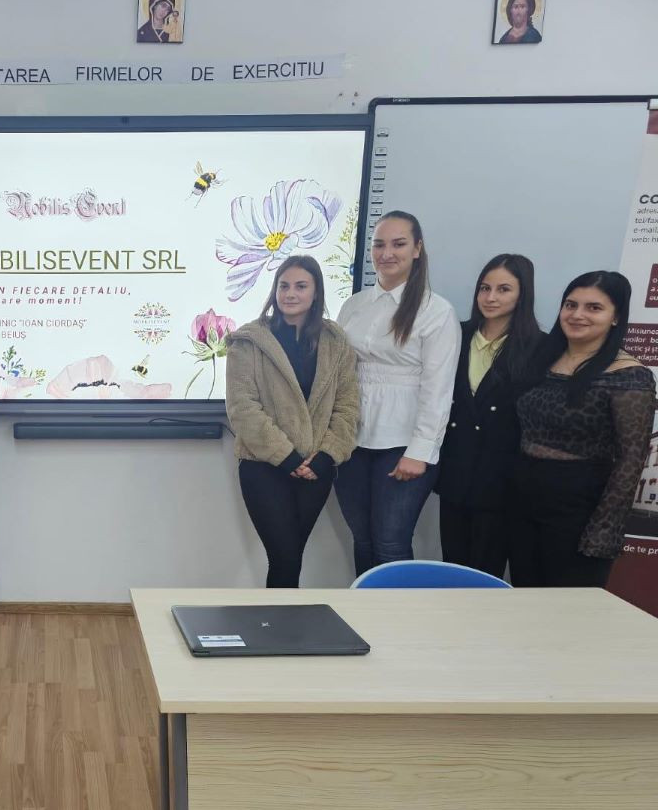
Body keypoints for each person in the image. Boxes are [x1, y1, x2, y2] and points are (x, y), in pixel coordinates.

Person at [510, 272, 655, 586]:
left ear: (616, 317)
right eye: (571, 304)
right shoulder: (542, 359)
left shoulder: (629, 375)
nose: (577, 314)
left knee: (569, 604)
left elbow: (631, 461)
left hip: (580, 505)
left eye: (594, 308)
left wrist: (604, 529)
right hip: (523, 497)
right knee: (524, 596)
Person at [336, 211, 461, 576]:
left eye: (398, 244)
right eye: (379, 244)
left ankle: (395, 613)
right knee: (362, 539)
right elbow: (338, 372)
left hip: (402, 445)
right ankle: (363, 608)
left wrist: (420, 451)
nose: (386, 253)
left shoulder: (436, 311)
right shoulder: (355, 305)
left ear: (417, 249)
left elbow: (438, 389)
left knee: (390, 542)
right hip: (352, 441)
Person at [225, 256, 359, 587]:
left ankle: (282, 618)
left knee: (292, 556)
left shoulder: (336, 341)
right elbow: (243, 408)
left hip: (316, 468)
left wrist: (326, 456)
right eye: (283, 286)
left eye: (300, 286)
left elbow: (347, 405)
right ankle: (278, 619)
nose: (290, 294)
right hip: (264, 468)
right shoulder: (249, 341)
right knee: (283, 556)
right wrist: (287, 457)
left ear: (316, 293)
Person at [436, 254, 543, 577]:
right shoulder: (456, 334)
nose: (491, 297)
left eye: (503, 289)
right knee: (451, 566)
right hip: (455, 471)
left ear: (522, 294)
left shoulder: (540, 347)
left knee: (485, 572)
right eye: (485, 288)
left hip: (502, 480)